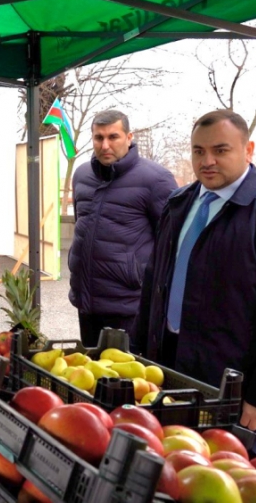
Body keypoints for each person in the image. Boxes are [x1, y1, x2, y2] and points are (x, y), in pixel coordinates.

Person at [133, 109, 256, 455]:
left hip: (230, 389)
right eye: (199, 151)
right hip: (166, 371)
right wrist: (138, 357)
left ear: (248, 150)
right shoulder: (178, 204)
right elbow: (153, 285)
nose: (207, 161)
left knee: (224, 475)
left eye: (220, 150)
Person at [68, 110, 177, 347]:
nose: (105, 145)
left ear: (129, 137)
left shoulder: (156, 180)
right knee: (88, 367)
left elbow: (171, 243)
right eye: (99, 138)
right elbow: (82, 224)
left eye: (113, 137)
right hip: (87, 302)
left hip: (129, 307)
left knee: (124, 370)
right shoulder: (81, 175)